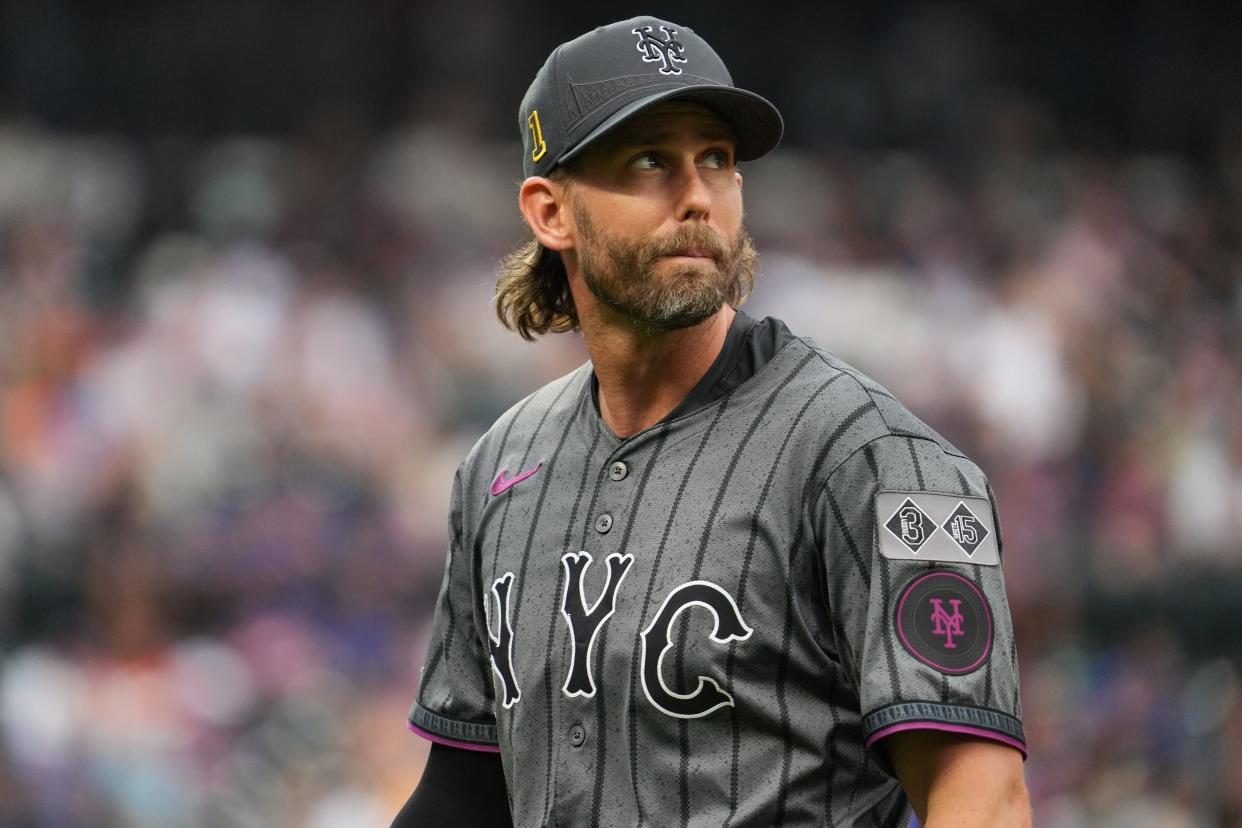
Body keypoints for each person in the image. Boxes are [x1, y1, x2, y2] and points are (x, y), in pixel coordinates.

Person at [392, 16, 1029, 827]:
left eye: (717, 160)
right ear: (550, 211)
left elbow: (981, 798)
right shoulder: (500, 466)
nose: (697, 196)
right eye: (651, 159)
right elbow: (462, 796)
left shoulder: (874, 461)